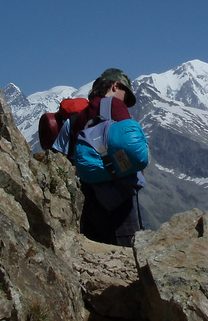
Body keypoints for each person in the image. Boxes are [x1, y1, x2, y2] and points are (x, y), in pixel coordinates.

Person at [52, 69, 144, 246]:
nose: (124, 100)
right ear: (115, 85)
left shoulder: (75, 116)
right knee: (123, 251)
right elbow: (130, 147)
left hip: (87, 198)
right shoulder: (114, 106)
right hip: (118, 196)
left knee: (94, 244)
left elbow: (60, 155)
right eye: (125, 94)